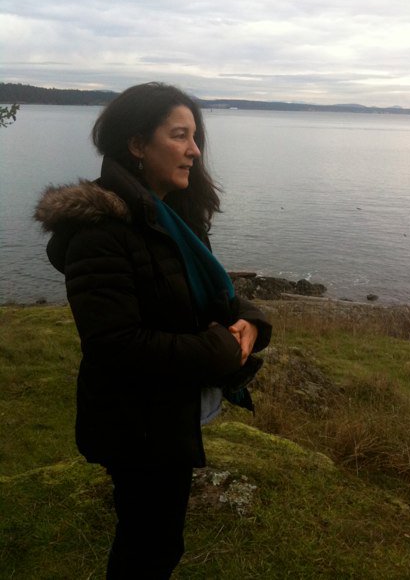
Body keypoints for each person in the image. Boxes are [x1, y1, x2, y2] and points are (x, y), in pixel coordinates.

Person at [35, 82, 272, 579]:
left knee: (158, 542)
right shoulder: (101, 232)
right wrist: (221, 350)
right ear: (138, 144)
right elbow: (114, 344)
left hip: (166, 413)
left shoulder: (172, 218)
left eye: (195, 137)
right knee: (149, 548)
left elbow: (212, 290)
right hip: (134, 422)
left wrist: (251, 322)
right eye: (180, 136)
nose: (194, 150)